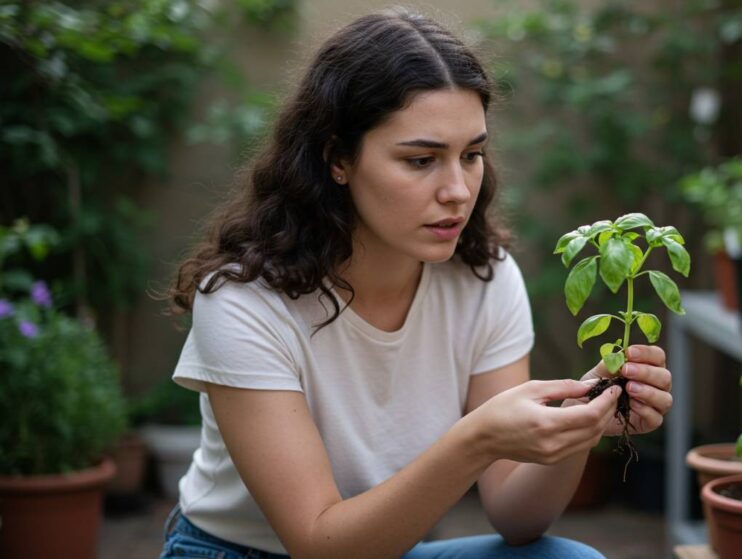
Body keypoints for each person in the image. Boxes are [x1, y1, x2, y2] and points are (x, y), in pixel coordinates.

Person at [159, 8, 673, 559]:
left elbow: (517, 518)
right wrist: (476, 440)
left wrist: (583, 421)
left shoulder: (484, 277)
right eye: (421, 159)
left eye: (471, 155)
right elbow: (317, 543)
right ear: (337, 158)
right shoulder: (244, 300)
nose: (457, 189)